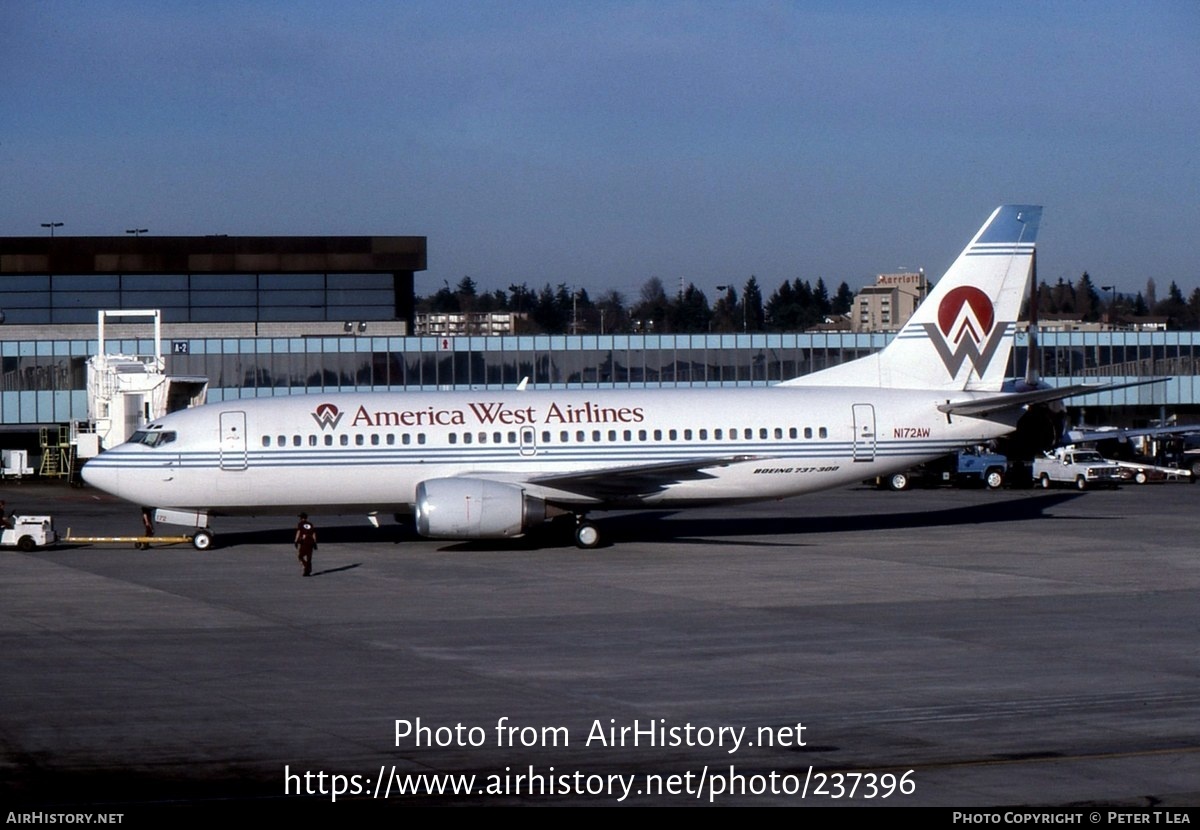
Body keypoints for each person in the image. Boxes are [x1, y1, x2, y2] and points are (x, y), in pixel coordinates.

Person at [294, 512, 317, 577]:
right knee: (309, 557)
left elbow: (298, 532)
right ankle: (308, 570)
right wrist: (315, 542)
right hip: (311, 541)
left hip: (304, 541)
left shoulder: (300, 524)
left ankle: (306, 566)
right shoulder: (310, 524)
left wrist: (295, 541)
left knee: (300, 556)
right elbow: (314, 533)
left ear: (301, 518)